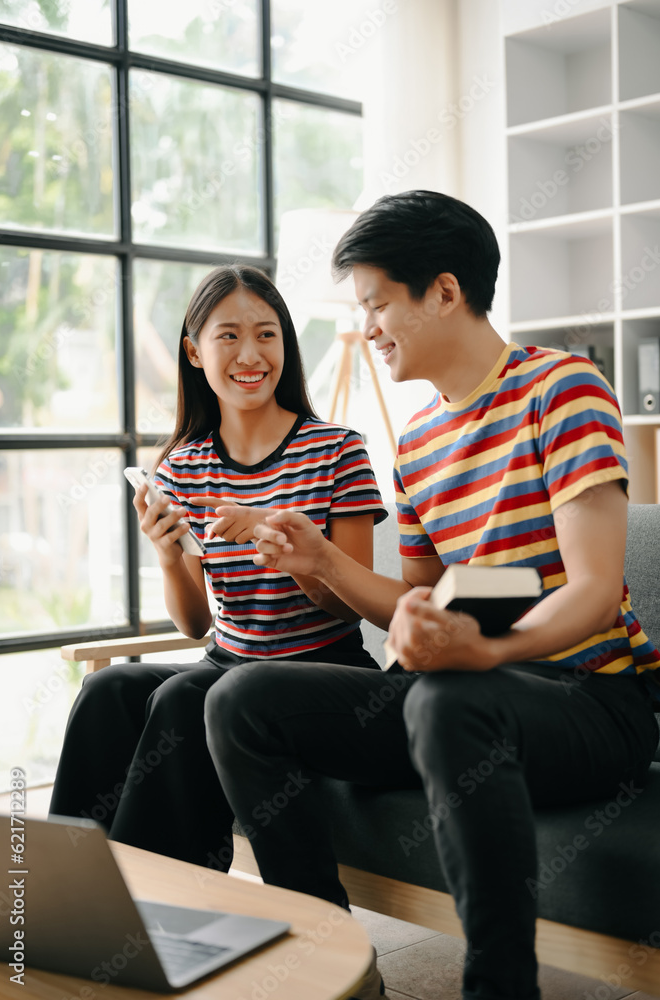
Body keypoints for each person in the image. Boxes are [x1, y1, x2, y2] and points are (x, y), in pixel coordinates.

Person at [203, 193, 660, 1000]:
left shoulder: (562, 389)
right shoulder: (414, 444)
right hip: (456, 691)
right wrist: (322, 561)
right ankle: (333, 963)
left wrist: (481, 651)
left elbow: (590, 592)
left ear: (443, 291)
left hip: (591, 703)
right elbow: (419, 598)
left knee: (446, 700)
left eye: (377, 305)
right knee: (240, 699)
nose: (367, 328)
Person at [49, 264, 387, 872]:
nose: (250, 352)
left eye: (266, 333)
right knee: (108, 690)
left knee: (184, 699)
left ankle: (153, 918)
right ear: (195, 352)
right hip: (225, 663)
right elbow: (195, 624)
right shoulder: (183, 466)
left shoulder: (338, 449)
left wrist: (295, 554)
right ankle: (70, 890)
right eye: (228, 335)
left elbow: (353, 602)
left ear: (285, 343)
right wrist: (168, 554)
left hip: (321, 674)